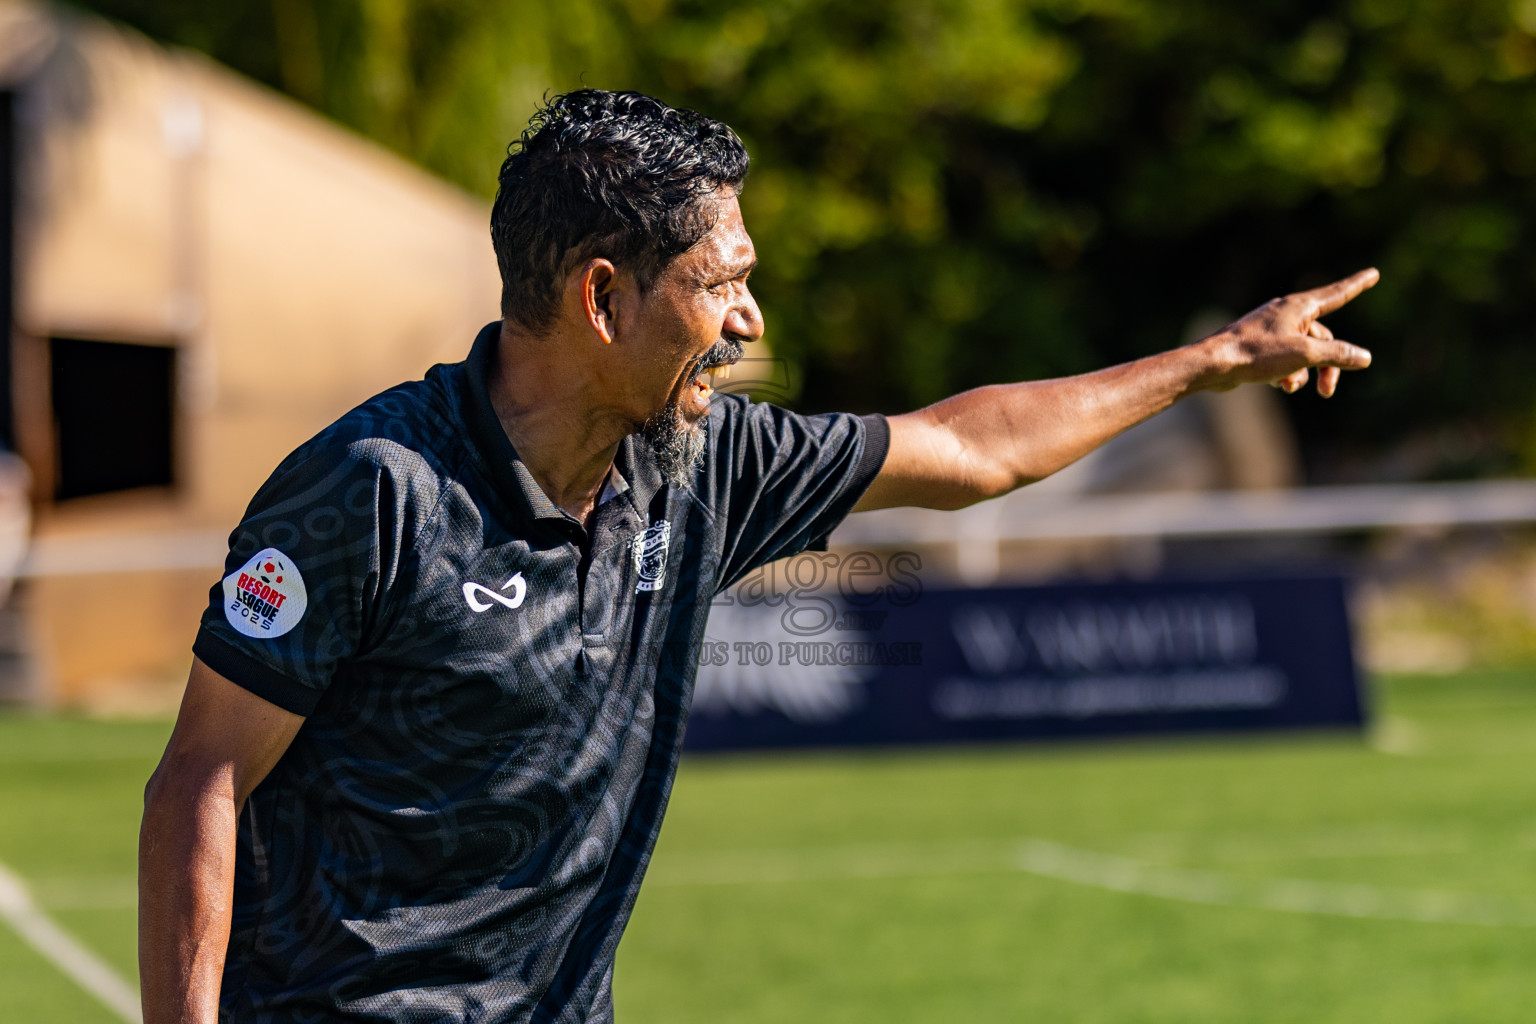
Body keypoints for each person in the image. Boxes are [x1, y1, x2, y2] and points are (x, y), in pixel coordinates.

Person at [138, 89, 1375, 1024]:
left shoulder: (708, 463)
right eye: (720, 285)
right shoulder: (373, 492)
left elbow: (968, 449)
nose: (751, 322)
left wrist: (1213, 361)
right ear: (602, 296)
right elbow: (199, 779)